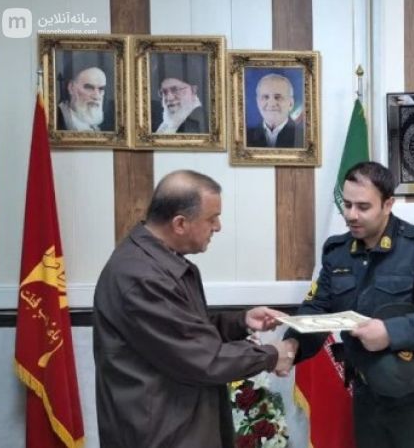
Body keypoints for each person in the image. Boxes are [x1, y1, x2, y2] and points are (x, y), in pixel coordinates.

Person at [93, 170, 293, 448]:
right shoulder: (141, 276)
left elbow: (185, 332)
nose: (218, 227)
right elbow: (202, 358)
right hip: (161, 434)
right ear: (180, 223)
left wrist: (240, 321)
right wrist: (272, 355)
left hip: (177, 425)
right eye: (212, 218)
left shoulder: (157, 262)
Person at [276, 161, 414, 448]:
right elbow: (317, 308)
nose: (351, 215)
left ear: (388, 204)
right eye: (347, 205)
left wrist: (389, 332)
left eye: (363, 207)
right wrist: (292, 344)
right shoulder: (337, 252)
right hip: (366, 392)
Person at [246, 73, 304, 148]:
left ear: (291, 103)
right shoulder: (245, 136)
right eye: (265, 97)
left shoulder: (303, 136)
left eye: (278, 97)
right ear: (258, 102)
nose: (271, 103)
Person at [57, 65, 111, 132]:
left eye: (101, 89)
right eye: (89, 87)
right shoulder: (57, 119)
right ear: (71, 88)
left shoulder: (107, 124)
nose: (96, 96)